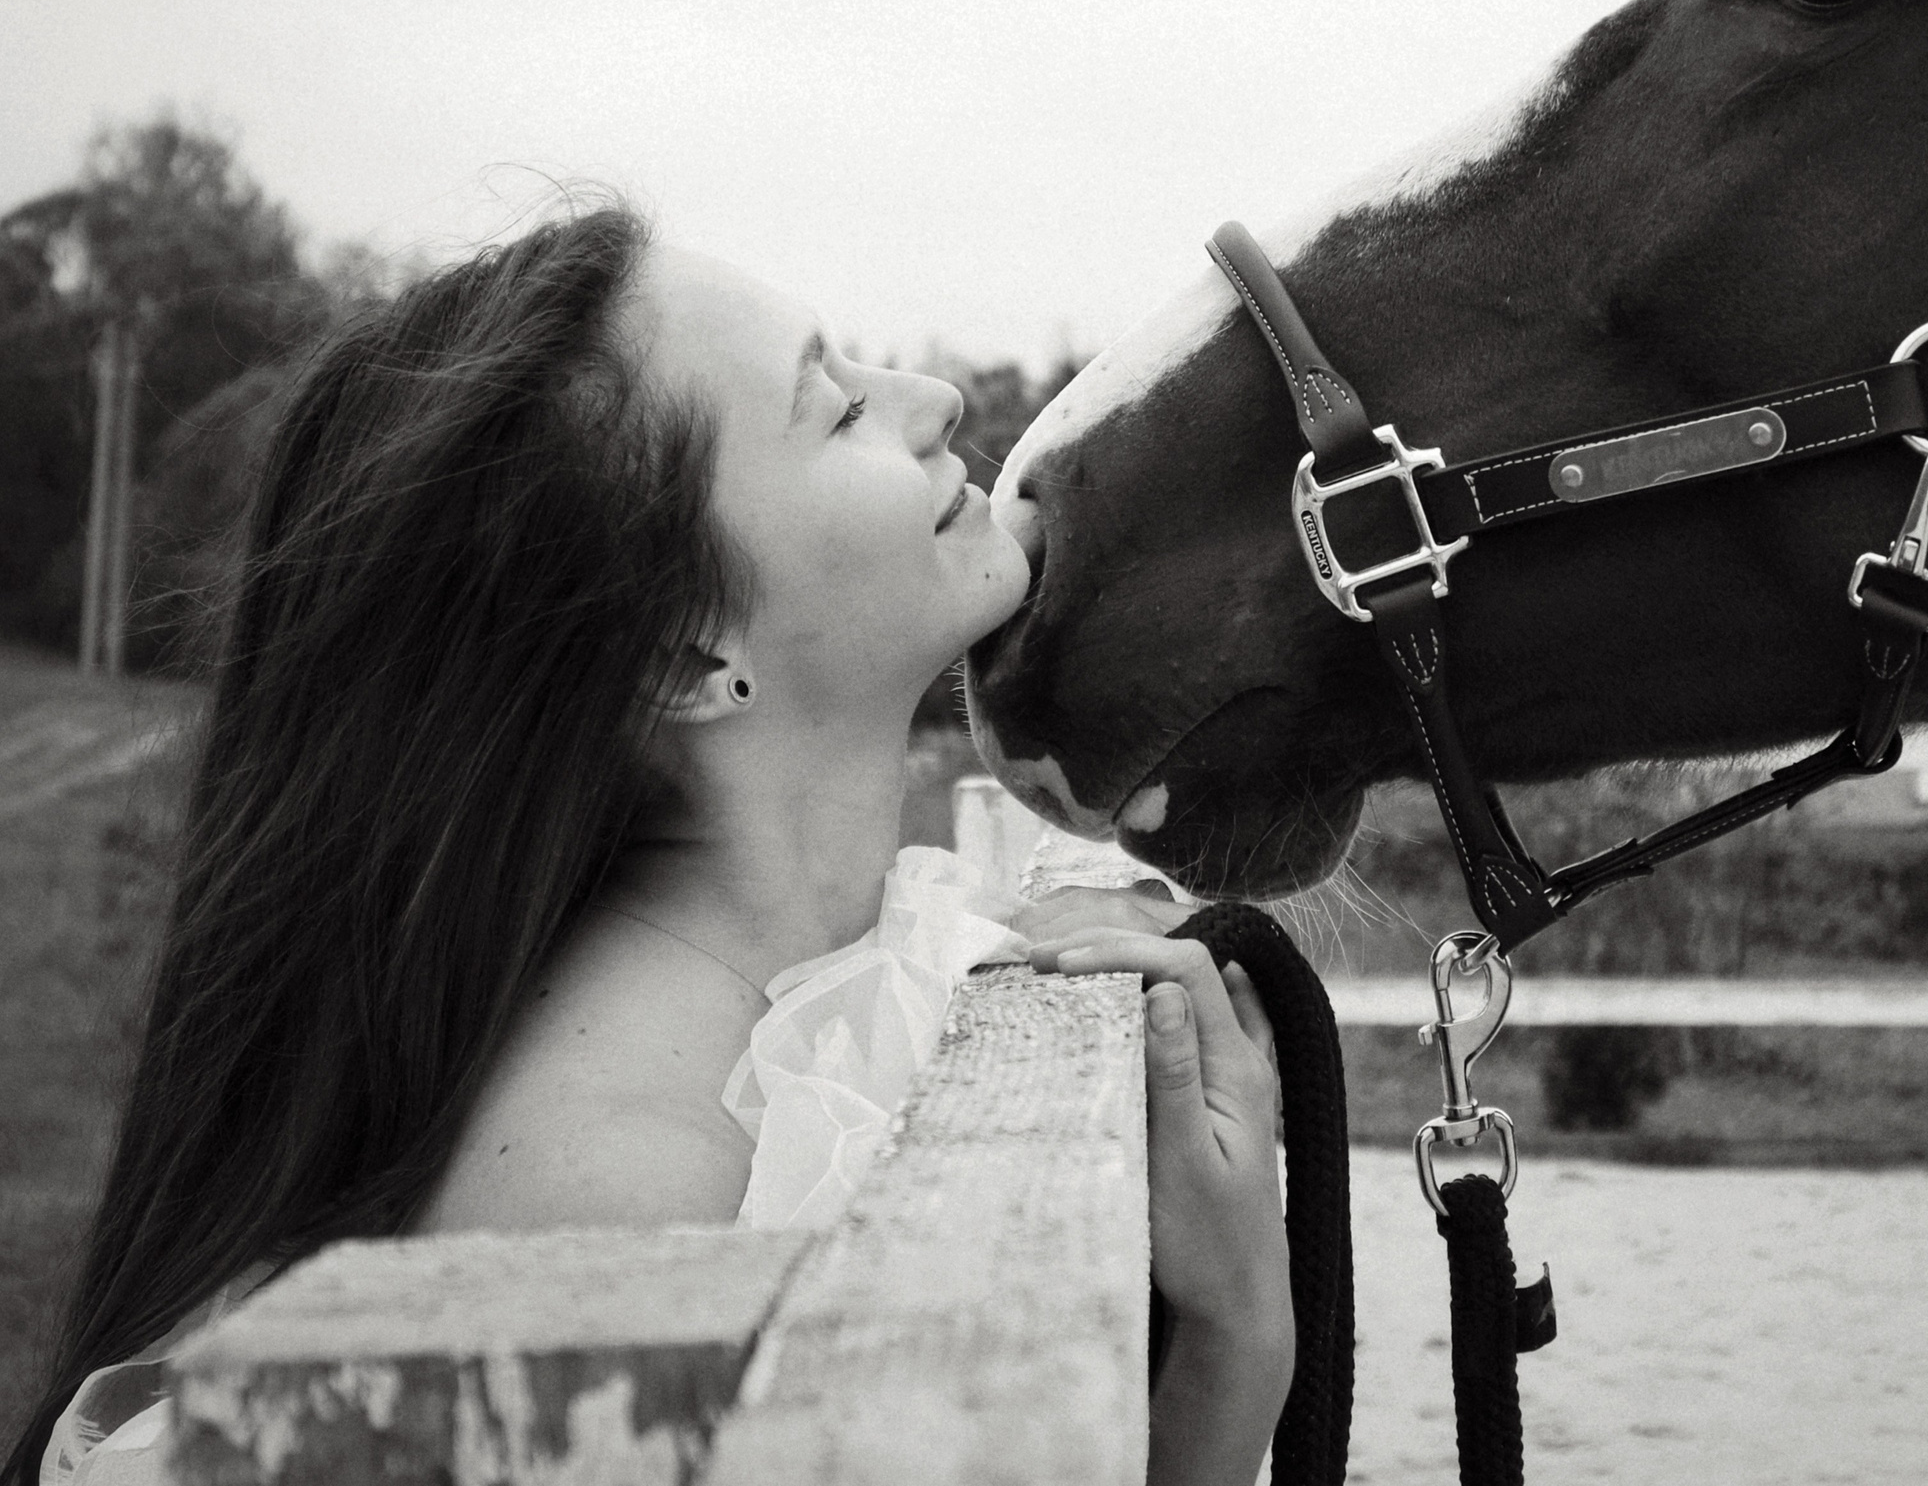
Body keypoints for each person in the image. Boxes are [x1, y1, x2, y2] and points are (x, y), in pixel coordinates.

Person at [9, 205, 1292, 1486]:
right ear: (685, 653)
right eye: (836, 409)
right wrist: (1234, 1339)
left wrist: (1230, 1333)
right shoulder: (617, 1197)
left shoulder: (831, 977)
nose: (936, 398)